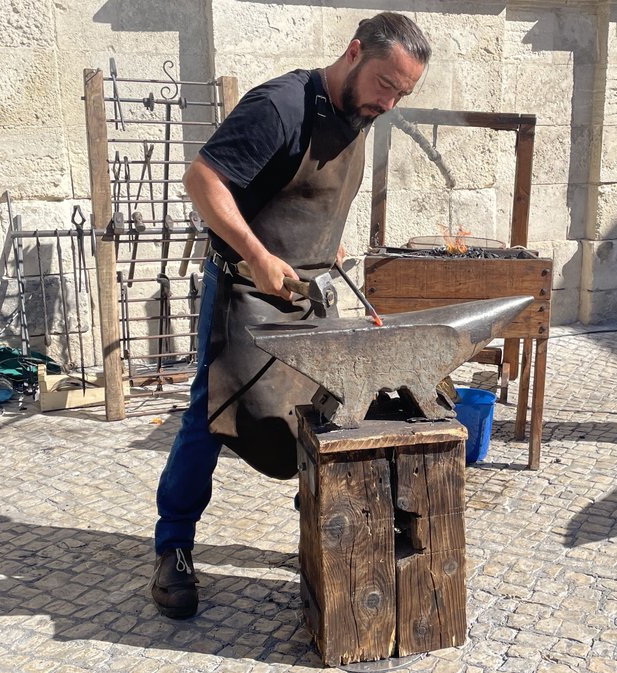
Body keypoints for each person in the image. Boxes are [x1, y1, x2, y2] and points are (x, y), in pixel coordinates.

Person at [149, 13, 431, 620]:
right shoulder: (279, 106)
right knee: (213, 413)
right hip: (246, 293)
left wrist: (328, 245)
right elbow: (203, 181)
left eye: (402, 94)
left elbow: (309, 195)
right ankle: (173, 546)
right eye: (385, 83)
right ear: (354, 52)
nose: (388, 101)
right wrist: (257, 256)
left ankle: (319, 528)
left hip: (310, 293)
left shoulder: (359, 115)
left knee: (325, 411)